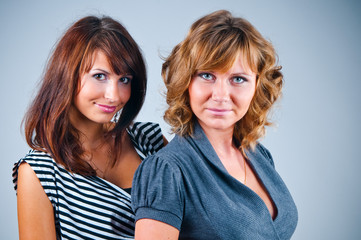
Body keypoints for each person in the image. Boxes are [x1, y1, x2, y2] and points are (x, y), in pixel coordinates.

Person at [131, 10, 298, 239]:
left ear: (257, 86)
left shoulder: (260, 155)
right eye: (207, 76)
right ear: (186, 81)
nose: (220, 95)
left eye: (238, 79)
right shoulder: (167, 170)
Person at [12, 16, 166, 239]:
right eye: (99, 76)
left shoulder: (149, 141)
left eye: (124, 80)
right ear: (67, 75)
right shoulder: (41, 173)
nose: (114, 95)